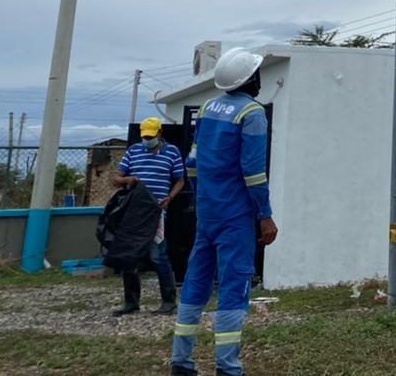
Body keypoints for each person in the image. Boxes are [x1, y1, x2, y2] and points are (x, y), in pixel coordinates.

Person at [171, 49, 279, 376]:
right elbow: (254, 173)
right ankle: (228, 367)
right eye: (258, 74)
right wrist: (265, 214)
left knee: (196, 281)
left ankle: (182, 362)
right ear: (251, 79)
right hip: (236, 216)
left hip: (208, 211)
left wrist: (202, 197)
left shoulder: (207, 108)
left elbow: (192, 162)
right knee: (234, 285)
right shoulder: (252, 113)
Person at [112, 116, 184, 316]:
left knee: (158, 254)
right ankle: (131, 302)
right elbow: (116, 178)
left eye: (151, 136)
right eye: (144, 136)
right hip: (134, 210)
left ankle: (169, 302)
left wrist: (170, 197)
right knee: (130, 255)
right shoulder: (133, 151)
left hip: (157, 210)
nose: (147, 139)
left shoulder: (172, 152)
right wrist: (128, 179)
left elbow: (180, 180)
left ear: (160, 133)